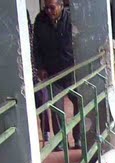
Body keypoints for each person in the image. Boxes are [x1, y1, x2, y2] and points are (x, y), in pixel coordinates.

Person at [33, 0, 81, 148]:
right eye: (46, 8)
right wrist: (40, 67)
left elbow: (79, 41)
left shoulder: (71, 19)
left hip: (71, 68)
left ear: (61, 6)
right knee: (56, 107)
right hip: (52, 71)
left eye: (52, 8)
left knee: (78, 102)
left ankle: (78, 138)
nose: (49, 11)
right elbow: (36, 47)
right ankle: (61, 142)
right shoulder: (40, 21)